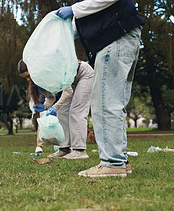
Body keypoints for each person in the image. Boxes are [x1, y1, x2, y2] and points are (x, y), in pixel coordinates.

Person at [56, 0, 145, 177]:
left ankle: (112, 163)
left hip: (115, 38)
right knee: (114, 103)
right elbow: (87, 17)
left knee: (105, 103)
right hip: (120, 37)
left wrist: (73, 9)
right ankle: (120, 160)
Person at [18, 59, 93, 159]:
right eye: (25, 78)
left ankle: (79, 150)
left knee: (76, 111)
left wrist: (55, 107)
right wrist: (45, 106)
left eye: (28, 76)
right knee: (61, 112)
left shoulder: (51, 70)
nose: (28, 79)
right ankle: (64, 149)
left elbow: (68, 91)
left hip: (83, 75)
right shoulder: (40, 80)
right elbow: (51, 98)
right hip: (71, 83)